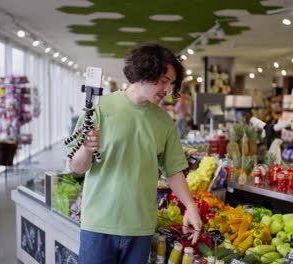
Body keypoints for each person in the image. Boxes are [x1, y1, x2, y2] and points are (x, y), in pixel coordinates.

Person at [68, 43, 202, 264]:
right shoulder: (100, 108)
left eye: (172, 84)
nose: (168, 90)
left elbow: (174, 171)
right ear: (145, 72)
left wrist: (191, 206)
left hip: (140, 228)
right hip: (98, 225)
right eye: (164, 81)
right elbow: (77, 167)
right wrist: (86, 148)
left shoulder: (164, 122)